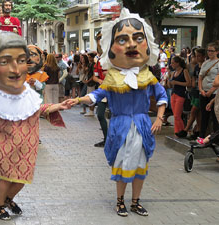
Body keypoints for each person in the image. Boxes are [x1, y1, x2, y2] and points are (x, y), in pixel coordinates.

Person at [67, 8, 167, 217]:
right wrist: (76, 99)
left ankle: (135, 202)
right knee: (121, 163)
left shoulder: (148, 76)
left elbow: (162, 96)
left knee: (141, 165)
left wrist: (159, 117)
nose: (131, 44)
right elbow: (95, 95)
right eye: (122, 40)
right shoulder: (112, 77)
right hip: (120, 125)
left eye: (138, 38)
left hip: (141, 126)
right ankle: (120, 201)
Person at [0, 32, 70, 221]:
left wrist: (59, 105)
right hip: (3, 141)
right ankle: (0, 207)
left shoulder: (26, 92)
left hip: (27, 143)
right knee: (6, 177)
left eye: (21, 60)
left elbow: (39, 108)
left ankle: (9, 199)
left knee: (22, 178)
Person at [176, 48, 205, 139]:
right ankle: (198, 130)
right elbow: (194, 78)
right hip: (193, 91)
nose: (197, 58)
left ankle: (186, 130)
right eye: (196, 56)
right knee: (197, 113)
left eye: (199, 56)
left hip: (200, 91)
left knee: (193, 111)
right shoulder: (196, 67)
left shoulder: (205, 66)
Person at [198, 42, 219, 138]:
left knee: (215, 117)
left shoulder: (218, 63)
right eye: (208, 50)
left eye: (212, 51)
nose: (209, 53)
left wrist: (211, 91)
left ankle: (214, 138)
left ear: (217, 52)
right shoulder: (205, 63)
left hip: (214, 93)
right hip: (203, 92)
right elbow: (200, 77)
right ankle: (202, 136)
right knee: (204, 116)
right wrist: (201, 89)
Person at [92, 31, 108, 147]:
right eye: (98, 40)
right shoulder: (99, 60)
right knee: (100, 114)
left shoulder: (116, 58)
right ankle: (107, 138)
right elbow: (95, 76)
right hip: (103, 91)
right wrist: (99, 81)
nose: (100, 42)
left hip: (116, 91)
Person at [168, 56, 191, 137]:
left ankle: (181, 131)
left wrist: (177, 82)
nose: (171, 64)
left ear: (178, 63)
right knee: (175, 115)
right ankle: (177, 131)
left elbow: (188, 83)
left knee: (177, 115)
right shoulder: (173, 72)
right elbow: (170, 85)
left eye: (173, 63)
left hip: (180, 94)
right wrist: (169, 78)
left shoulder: (184, 71)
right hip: (173, 94)